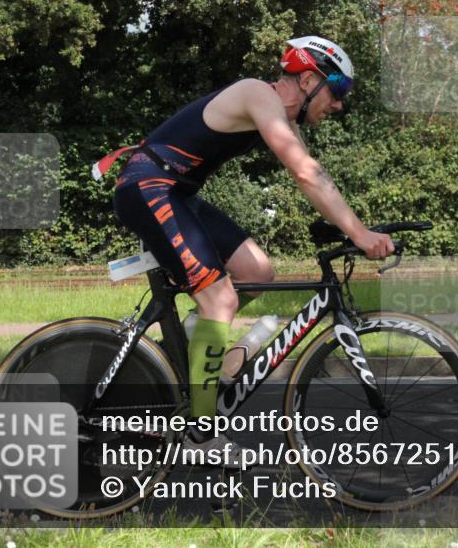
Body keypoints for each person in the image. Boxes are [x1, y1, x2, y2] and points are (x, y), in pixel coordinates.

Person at [96, 36, 394, 459]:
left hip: (176, 193)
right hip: (149, 187)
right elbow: (306, 173)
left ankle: (186, 362)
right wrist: (362, 236)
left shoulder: (281, 119)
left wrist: (353, 227)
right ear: (308, 78)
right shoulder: (258, 94)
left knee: (258, 273)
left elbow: (314, 177)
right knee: (219, 298)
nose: (339, 104)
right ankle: (201, 437)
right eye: (338, 90)